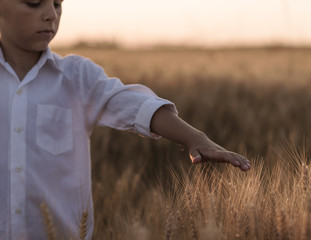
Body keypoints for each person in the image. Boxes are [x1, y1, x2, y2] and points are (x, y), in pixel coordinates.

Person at [0, 0, 251, 239]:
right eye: (33, 3)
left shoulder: (77, 77)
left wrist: (194, 137)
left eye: (58, 4)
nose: (51, 15)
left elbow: (131, 104)